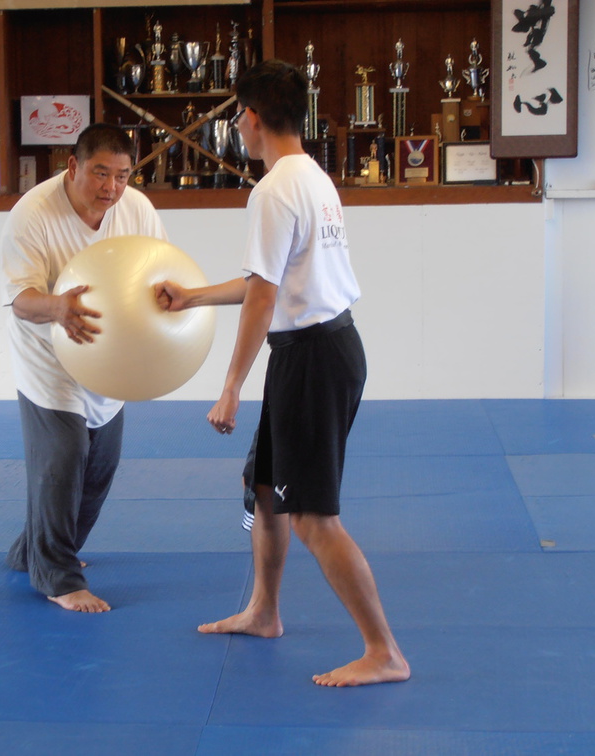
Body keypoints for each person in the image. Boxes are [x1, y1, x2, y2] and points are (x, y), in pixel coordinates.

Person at [154, 60, 409, 687]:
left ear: (253, 117)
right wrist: (191, 297)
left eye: (239, 114)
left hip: (313, 359)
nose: (238, 124)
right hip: (320, 350)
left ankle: (384, 651)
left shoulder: (272, 190)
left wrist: (231, 385)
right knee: (267, 490)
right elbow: (264, 281)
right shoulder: (311, 177)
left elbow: (266, 296)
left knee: (314, 516)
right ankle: (264, 611)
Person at [0, 123, 167, 613]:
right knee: (65, 454)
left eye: (121, 175)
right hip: (46, 352)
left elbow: (160, 269)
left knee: (100, 466)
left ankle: (33, 549)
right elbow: (20, 299)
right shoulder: (31, 215)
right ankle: (57, 577)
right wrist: (59, 309)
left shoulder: (135, 209)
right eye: (99, 173)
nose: (110, 188)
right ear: (72, 166)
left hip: (106, 353)